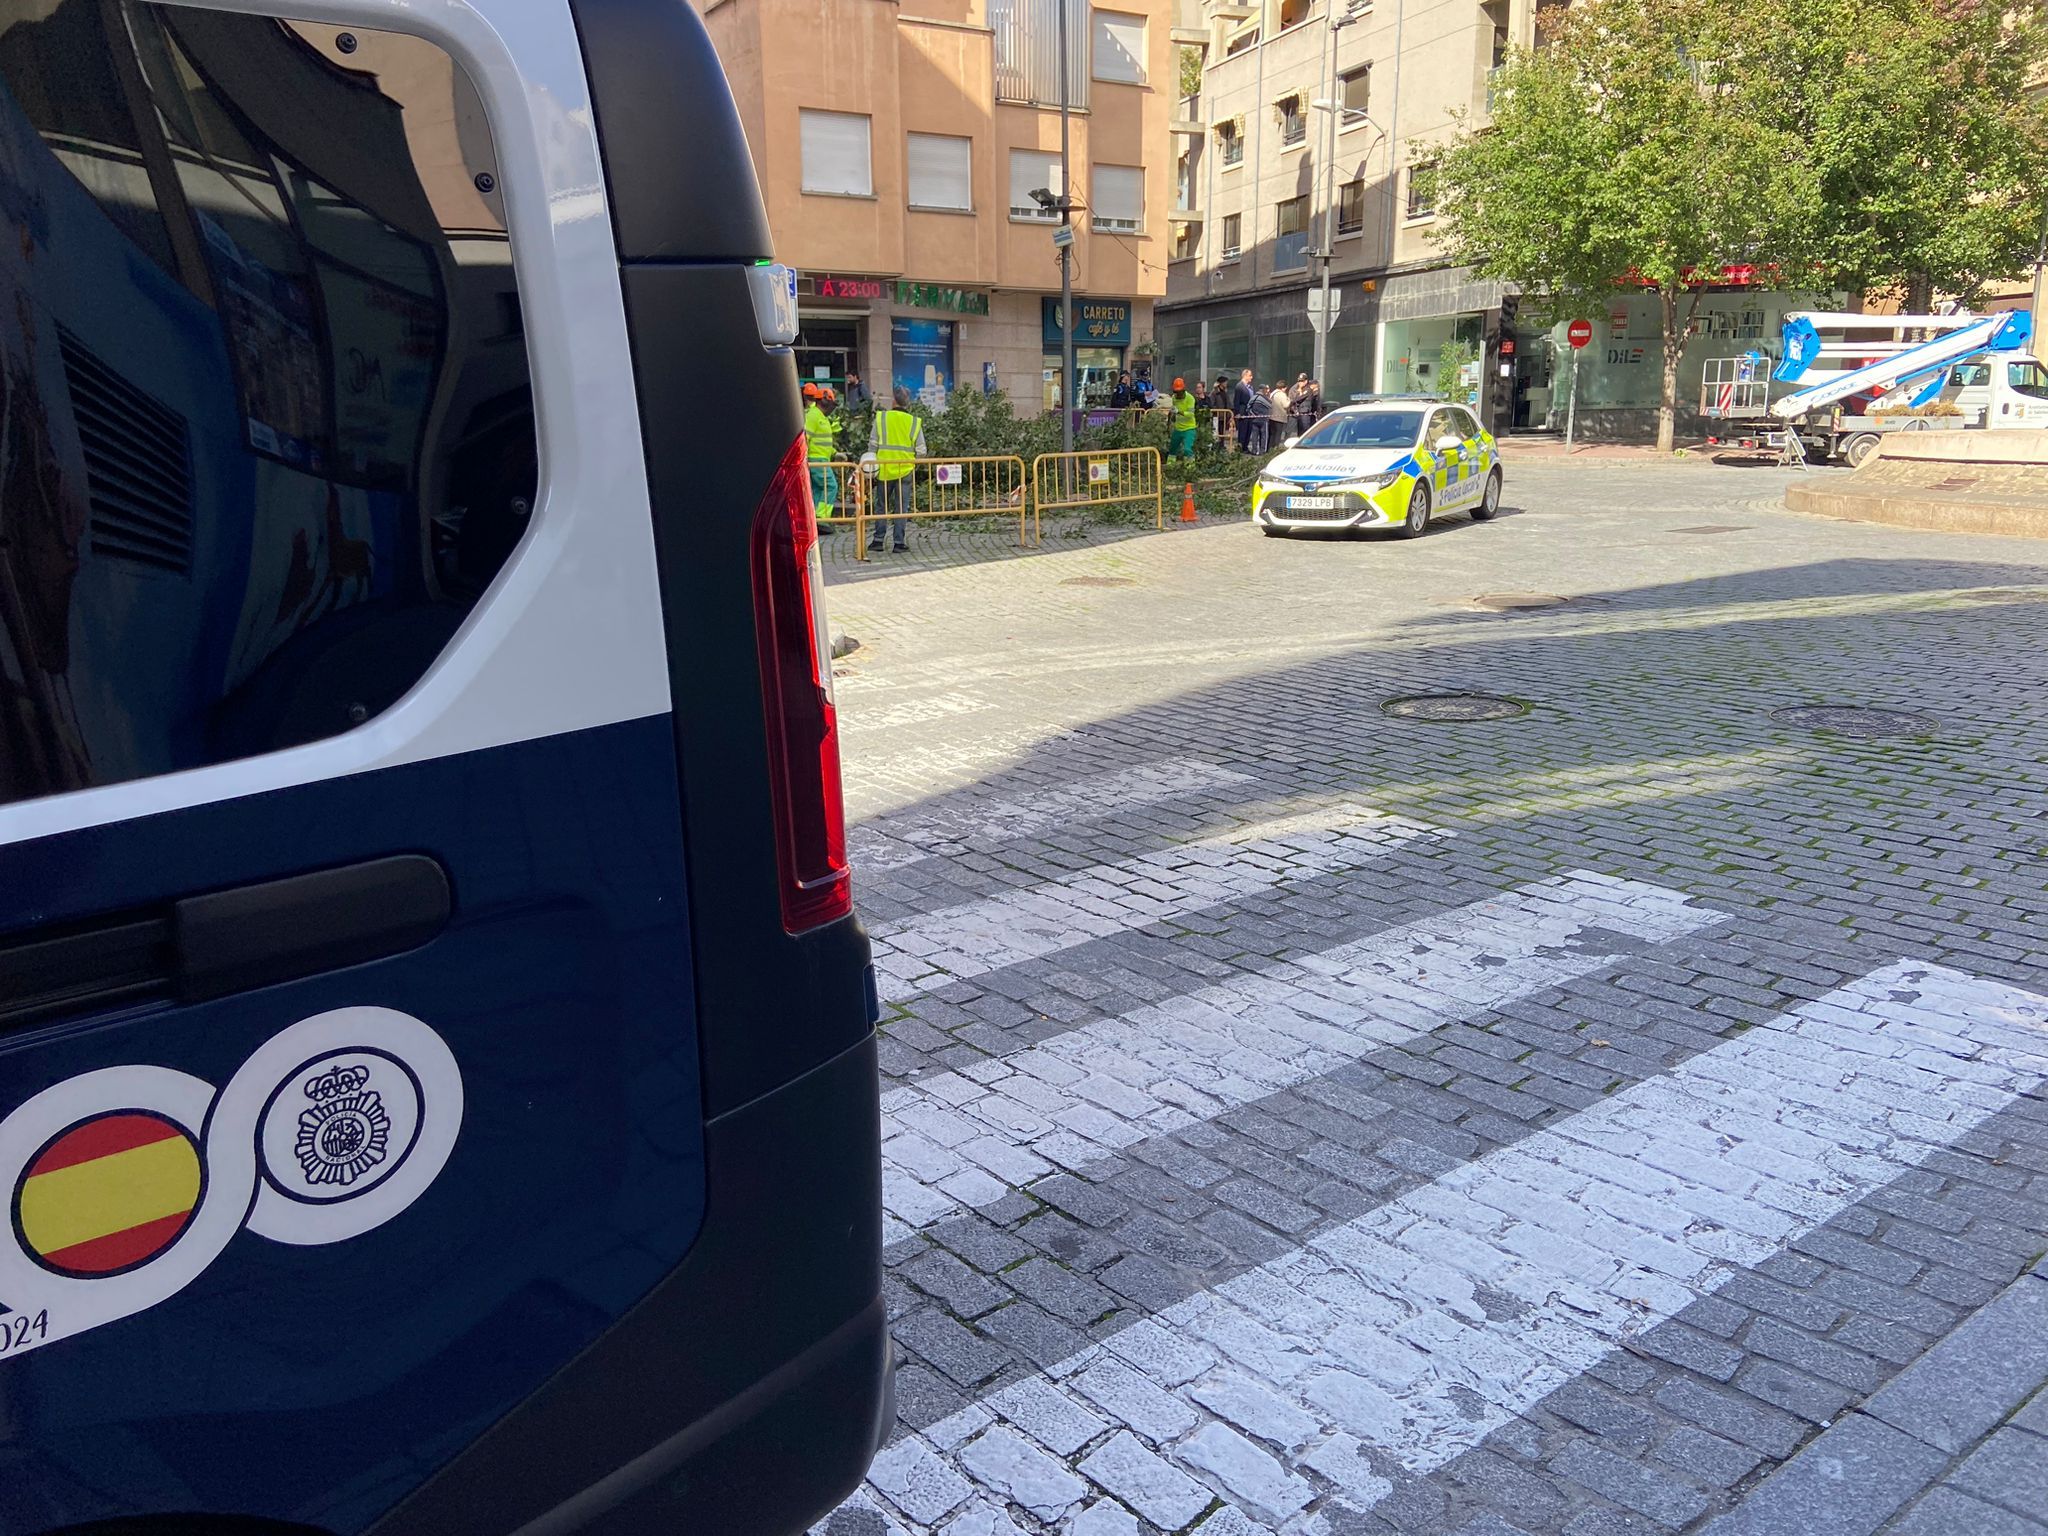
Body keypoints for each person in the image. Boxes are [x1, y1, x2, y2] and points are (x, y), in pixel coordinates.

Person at [870, 385, 925, 553]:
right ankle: (899, 543)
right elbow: (922, 450)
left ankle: (878, 541)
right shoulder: (914, 422)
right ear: (907, 403)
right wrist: (913, 463)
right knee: (901, 508)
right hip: (905, 470)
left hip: (884, 470)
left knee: (881, 506)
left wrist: (871, 468)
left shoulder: (881, 419)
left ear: (894, 400)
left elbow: (872, 446)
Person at [801, 382, 839, 527]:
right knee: (830, 486)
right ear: (824, 401)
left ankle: (814, 518)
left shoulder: (821, 417)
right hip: (817, 460)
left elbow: (822, 441)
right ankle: (822, 518)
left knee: (818, 490)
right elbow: (806, 438)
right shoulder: (814, 416)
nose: (832, 408)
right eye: (831, 403)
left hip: (821, 459)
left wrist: (836, 453)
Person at [1167, 377, 1199, 463]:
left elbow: (1191, 414)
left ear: (1183, 390)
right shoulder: (1174, 398)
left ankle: (1189, 469)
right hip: (1178, 428)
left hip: (1189, 428)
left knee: (1187, 450)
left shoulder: (1190, 398)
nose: (1177, 394)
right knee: (1172, 449)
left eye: (1179, 392)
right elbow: (1174, 411)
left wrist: (1179, 412)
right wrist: (1172, 415)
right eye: (1175, 392)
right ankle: (1170, 466)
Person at [1231, 368, 1257, 453]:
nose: (1251, 377)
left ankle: (1245, 447)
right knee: (1243, 430)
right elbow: (1236, 400)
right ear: (1245, 376)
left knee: (1249, 430)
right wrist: (1237, 413)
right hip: (1243, 411)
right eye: (1250, 375)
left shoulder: (1251, 387)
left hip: (1250, 411)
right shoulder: (1239, 386)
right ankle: (1240, 448)